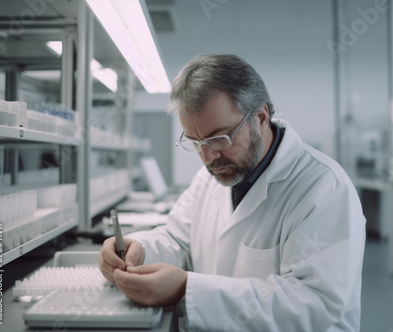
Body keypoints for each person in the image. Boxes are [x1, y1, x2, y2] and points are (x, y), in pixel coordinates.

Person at [99, 54, 366, 331]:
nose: (208, 157)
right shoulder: (210, 175)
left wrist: (187, 289)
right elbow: (178, 240)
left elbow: (313, 304)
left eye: (219, 138)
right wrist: (140, 249)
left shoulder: (323, 188)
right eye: (195, 142)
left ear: (261, 118)